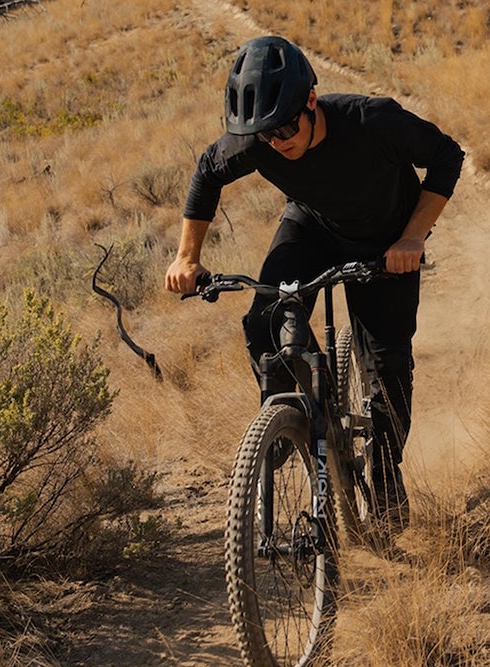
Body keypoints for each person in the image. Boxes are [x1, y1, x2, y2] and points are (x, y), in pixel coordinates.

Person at [164, 35, 464, 516]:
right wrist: (186, 258)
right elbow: (207, 173)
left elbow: (447, 155)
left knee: (386, 366)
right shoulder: (261, 139)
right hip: (313, 226)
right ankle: (289, 420)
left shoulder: (372, 121)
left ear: (310, 100)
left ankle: (385, 476)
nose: (278, 141)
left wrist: (412, 238)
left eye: (286, 127)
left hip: (387, 245)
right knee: (264, 320)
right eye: (266, 135)